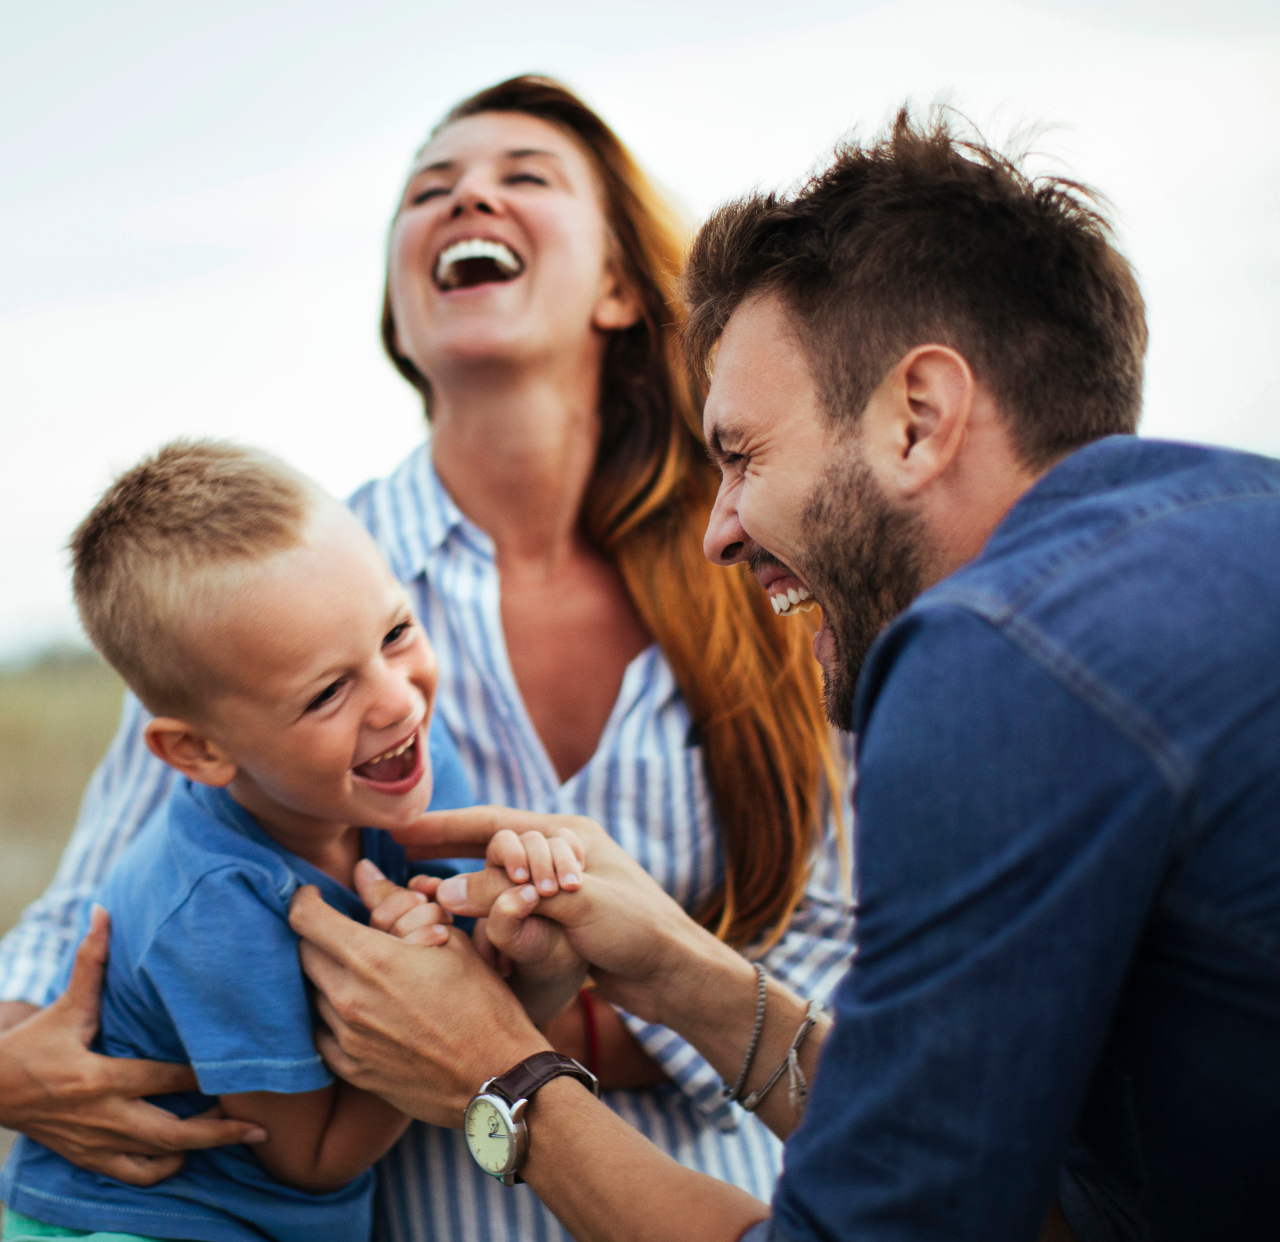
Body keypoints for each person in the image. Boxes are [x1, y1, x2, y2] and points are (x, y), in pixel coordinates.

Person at [281, 109, 1280, 1242]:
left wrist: (499, 1076)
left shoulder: (992, 662)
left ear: (918, 418)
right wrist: (680, 970)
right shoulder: (1232, 525)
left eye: (743, 455)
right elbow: (1025, 1212)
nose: (718, 530)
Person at [0, 78, 855, 1242]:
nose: (467, 199)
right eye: (428, 190)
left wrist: (513, 1017)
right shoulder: (259, 596)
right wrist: (11, 1063)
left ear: (615, 283)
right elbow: (92, 907)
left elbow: (834, 935)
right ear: (402, 319)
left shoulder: (753, 562)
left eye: (524, 177)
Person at [1, 440, 500, 1240]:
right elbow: (313, 1159)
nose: (397, 701)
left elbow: (500, 962)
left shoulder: (411, 761)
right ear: (198, 753)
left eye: (396, 633)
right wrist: (426, 997)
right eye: (329, 692)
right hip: (137, 1220)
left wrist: (536, 894)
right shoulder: (214, 903)